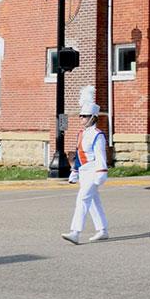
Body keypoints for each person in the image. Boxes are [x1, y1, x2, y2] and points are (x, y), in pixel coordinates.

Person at [62, 85, 108, 245]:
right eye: (80, 116)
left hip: (93, 171)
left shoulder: (98, 135)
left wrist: (102, 173)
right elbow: (79, 153)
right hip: (84, 171)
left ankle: (75, 232)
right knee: (94, 202)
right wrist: (74, 171)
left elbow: (101, 156)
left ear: (92, 117)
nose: (81, 118)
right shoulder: (82, 133)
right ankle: (102, 230)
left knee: (82, 199)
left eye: (84, 116)